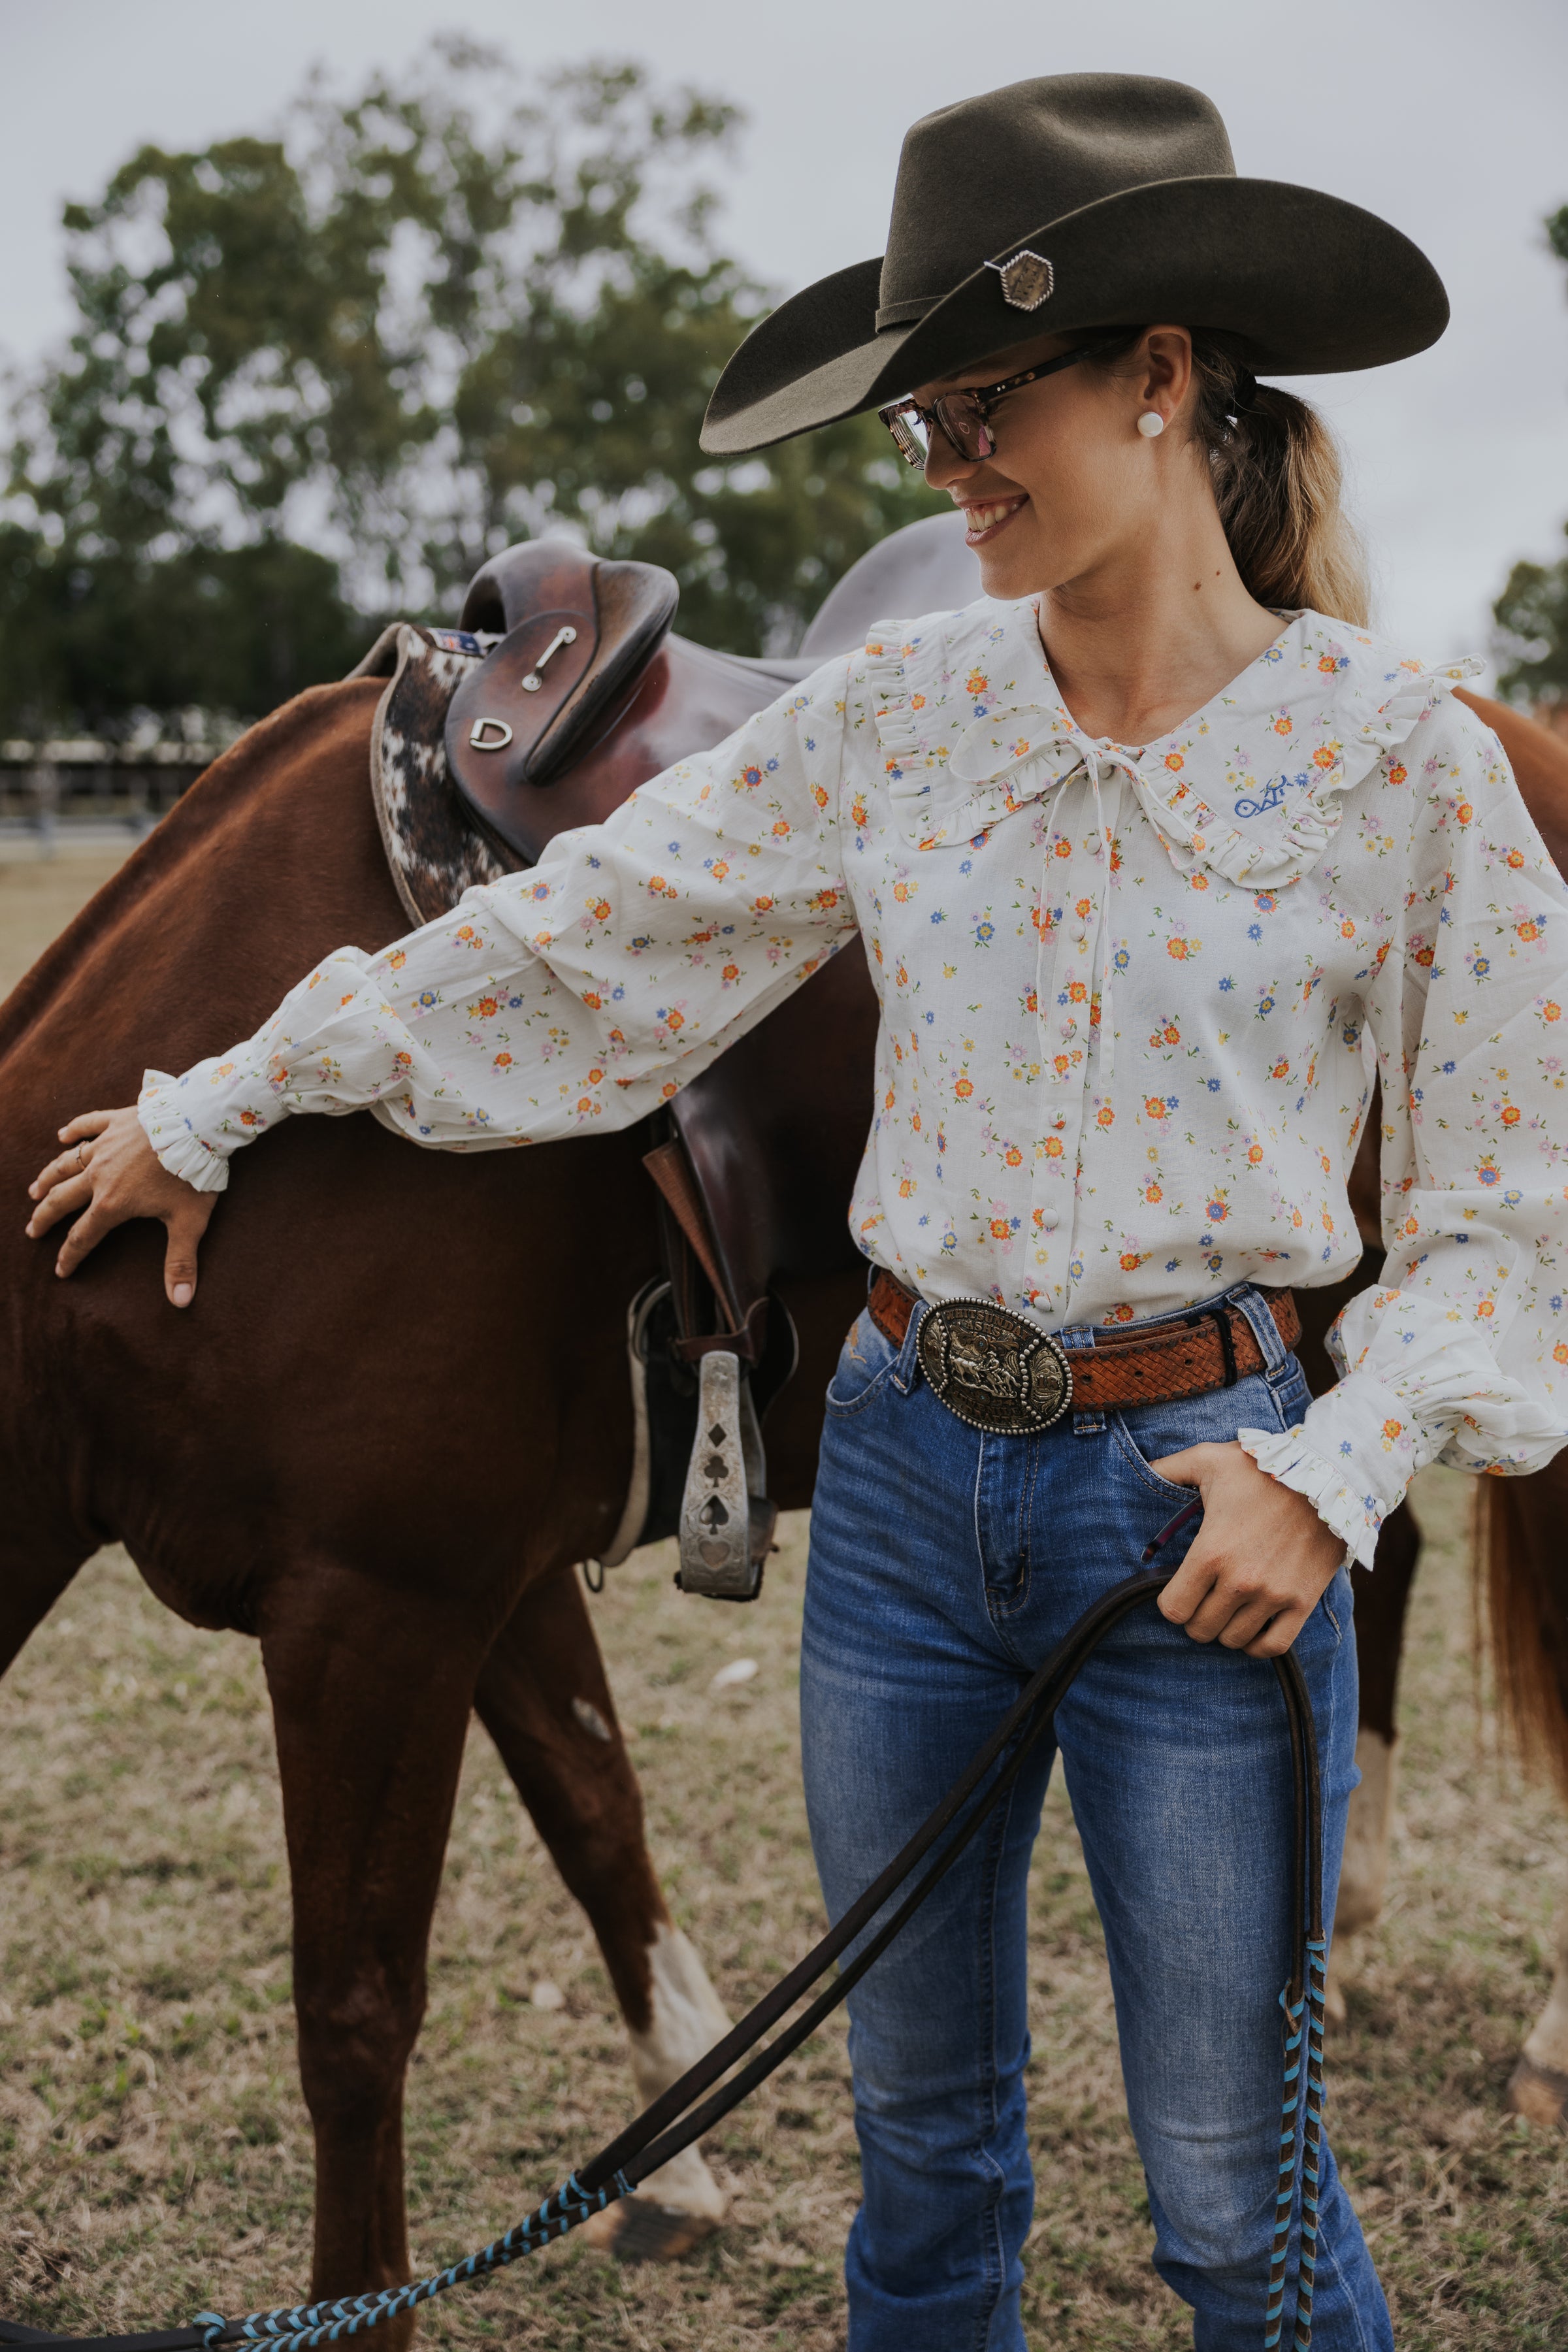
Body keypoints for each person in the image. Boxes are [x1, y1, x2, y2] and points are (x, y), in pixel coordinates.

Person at [25, 72, 1568, 2352]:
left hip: (1207, 1509)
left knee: (1234, 2214)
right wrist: (224, 1100)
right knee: (921, 2186)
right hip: (909, 1494)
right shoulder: (901, 716)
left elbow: (1508, 1217)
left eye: (980, 407)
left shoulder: (1404, 763)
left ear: (1161, 375)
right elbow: (576, 945)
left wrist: (1335, 1471)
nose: (943, 468)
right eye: (920, 423)